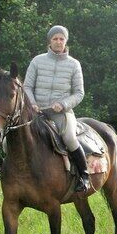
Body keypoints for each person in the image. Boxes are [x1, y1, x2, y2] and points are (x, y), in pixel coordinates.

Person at [23, 25, 90, 192]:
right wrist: (32, 103)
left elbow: (79, 93)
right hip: (36, 113)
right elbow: (27, 86)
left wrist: (64, 104)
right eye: (55, 38)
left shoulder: (74, 64)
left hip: (61, 113)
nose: (58, 42)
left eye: (61, 38)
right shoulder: (37, 61)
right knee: (7, 141)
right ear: (50, 41)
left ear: (66, 41)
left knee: (70, 139)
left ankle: (84, 176)